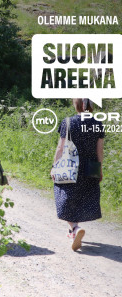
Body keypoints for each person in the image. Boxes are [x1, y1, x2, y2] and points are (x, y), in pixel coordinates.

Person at [52, 98, 104, 251]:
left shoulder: (68, 122)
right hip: (90, 167)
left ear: (77, 105)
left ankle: (74, 228)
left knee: (64, 197)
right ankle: (73, 230)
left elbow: (60, 147)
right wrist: (99, 168)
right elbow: (99, 150)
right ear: (90, 105)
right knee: (83, 197)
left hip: (70, 167)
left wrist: (55, 166)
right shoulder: (98, 124)